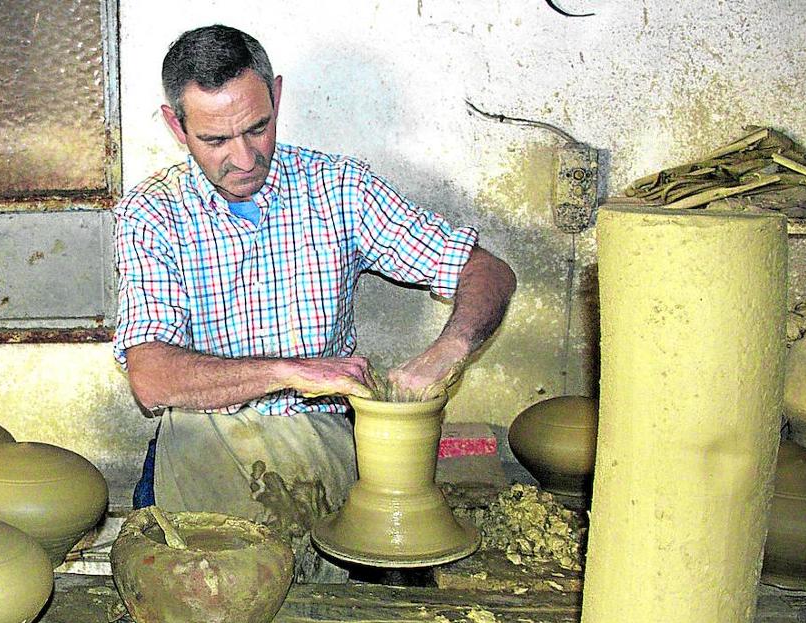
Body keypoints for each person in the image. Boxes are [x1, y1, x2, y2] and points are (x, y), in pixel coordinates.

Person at [113, 24, 516, 581]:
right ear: (175, 127)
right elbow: (151, 380)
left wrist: (451, 349)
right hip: (207, 438)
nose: (245, 158)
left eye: (258, 127)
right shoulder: (152, 213)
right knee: (203, 607)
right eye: (215, 141)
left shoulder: (338, 188)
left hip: (325, 439)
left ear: (276, 96)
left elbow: (488, 272)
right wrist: (289, 371)